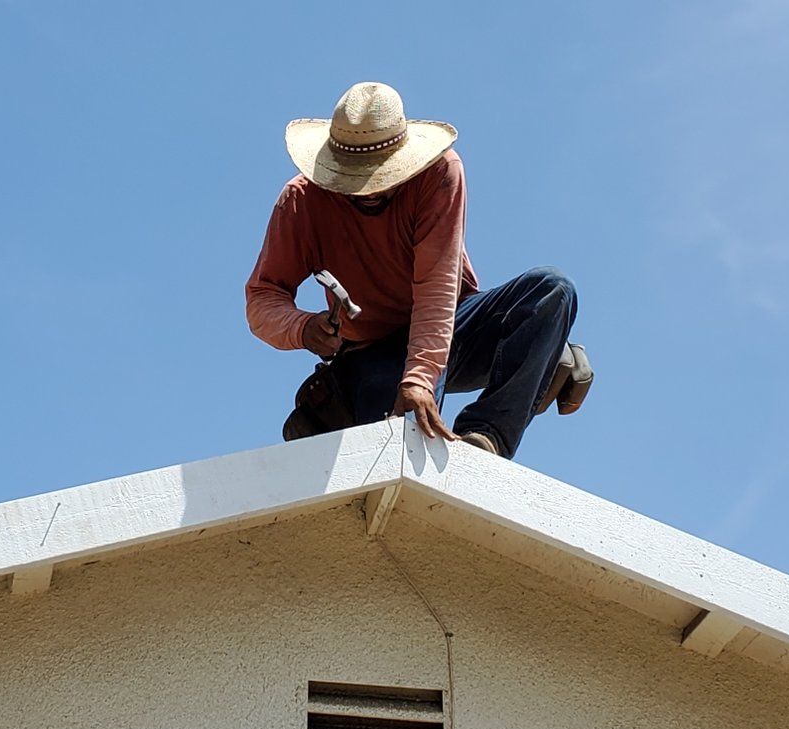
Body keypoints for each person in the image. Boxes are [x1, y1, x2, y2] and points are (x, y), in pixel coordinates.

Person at [246, 82, 578, 459]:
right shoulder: (302, 201)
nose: (368, 190)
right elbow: (262, 298)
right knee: (393, 447)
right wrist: (303, 327)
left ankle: (488, 436)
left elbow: (436, 287)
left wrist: (419, 378)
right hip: (372, 352)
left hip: (451, 326)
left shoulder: (438, 173)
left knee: (551, 291)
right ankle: (546, 359)